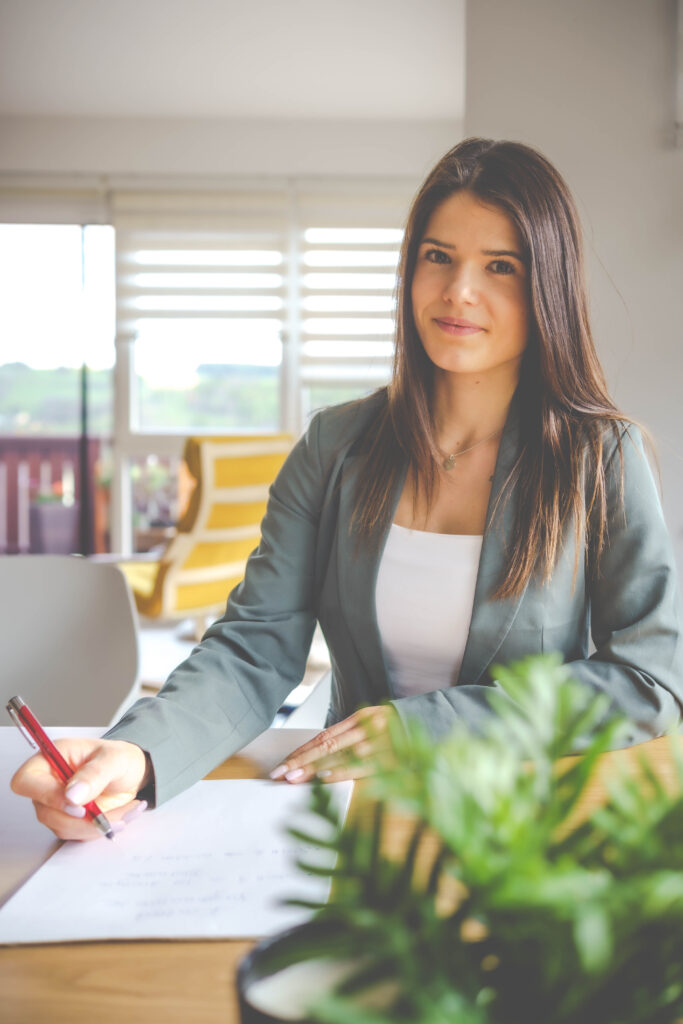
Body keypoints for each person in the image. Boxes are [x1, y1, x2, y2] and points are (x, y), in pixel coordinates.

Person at [12, 138, 683, 840]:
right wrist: (137, 757)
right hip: (350, 821)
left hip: (526, 826)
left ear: (547, 285)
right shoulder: (334, 446)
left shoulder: (600, 457)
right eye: (437, 256)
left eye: (500, 266)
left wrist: (425, 727)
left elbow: (649, 680)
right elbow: (255, 648)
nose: (459, 290)